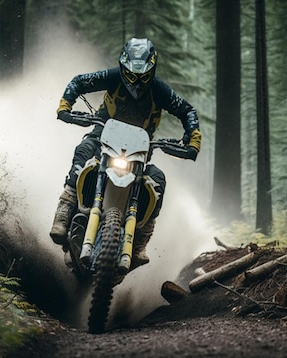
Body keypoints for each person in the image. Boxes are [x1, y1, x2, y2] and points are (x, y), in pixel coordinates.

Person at [50, 37, 201, 269]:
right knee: (84, 150)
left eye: (143, 76)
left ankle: (140, 242)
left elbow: (187, 110)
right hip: (102, 136)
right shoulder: (112, 77)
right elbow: (79, 82)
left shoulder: (159, 90)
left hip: (140, 151)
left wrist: (193, 139)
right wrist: (65, 106)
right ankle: (66, 208)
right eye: (132, 75)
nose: (137, 81)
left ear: (152, 70)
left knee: (158, 180)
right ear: (123, 67)